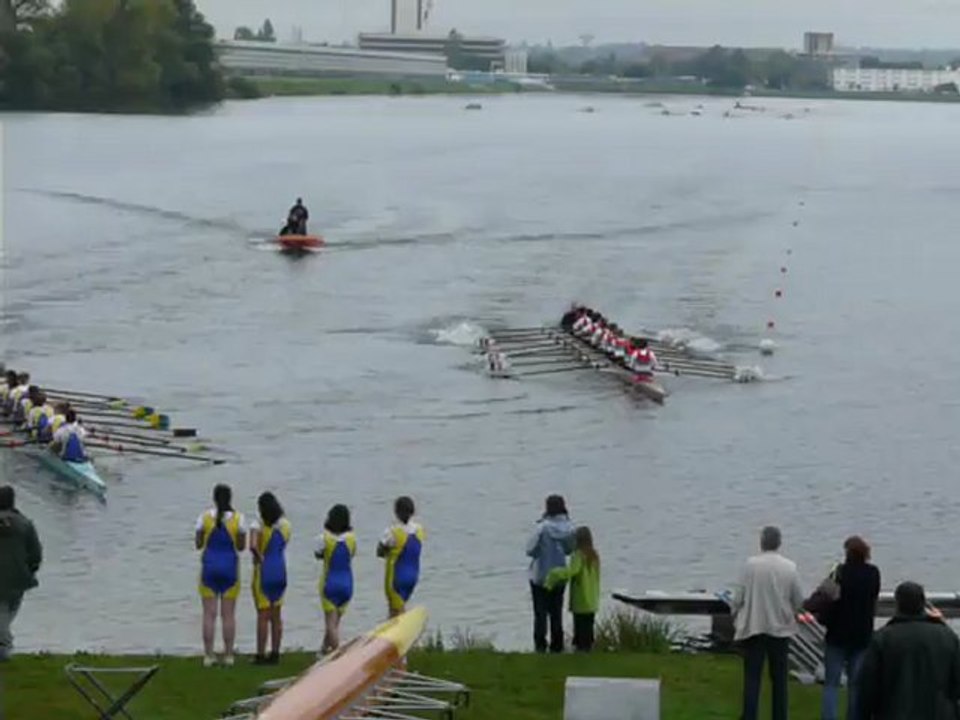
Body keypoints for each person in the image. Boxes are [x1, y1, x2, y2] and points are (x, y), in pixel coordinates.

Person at [729, 525, 805, 720]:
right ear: (779, 543)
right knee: (780, 680)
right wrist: (795, 613)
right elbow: (798, 600)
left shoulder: (750, 565)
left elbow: (738, 596)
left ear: (761, 543)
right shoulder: (790, 567)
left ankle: (749, 715)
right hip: (780, 629)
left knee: (752, 678)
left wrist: (734, 612)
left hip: (754, 627)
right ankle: (779, 716)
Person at [857, 581, 960, 719]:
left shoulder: (883, 638)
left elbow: (868, 688)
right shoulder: (947, 637)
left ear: (898, 604)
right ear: (923, 604)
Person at [819, 536, 881, 720]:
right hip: (862, 634)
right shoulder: (873, 573)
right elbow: (874, 597)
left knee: (831, 683)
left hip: (837, 633)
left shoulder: (839, 572)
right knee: (856, 684)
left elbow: (826, 595)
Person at [195, 484, 246, 667]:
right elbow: (241, 547)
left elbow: (198, 544)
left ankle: (208, 655)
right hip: (230, 569)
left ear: (214, 498)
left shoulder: (205, 517)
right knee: (228, 615)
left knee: (209, 614)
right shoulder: (239, 519)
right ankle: (229, 654)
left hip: (209, 568)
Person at [526, 494, 575, 653]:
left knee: (540, 613)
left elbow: (530, 550)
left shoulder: (542, 527)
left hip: (540, 576)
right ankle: (557, 645)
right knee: (556, 613)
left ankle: (540, 645)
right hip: (559, 576)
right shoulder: (569, 528)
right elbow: (569, 550)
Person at [0, 486, 42, 662]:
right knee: (7, 612)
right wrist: (29, 570)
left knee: (2, 615)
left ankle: (4, 648)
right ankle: (4, 647)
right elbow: (35, 554)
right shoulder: (24, 524)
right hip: (19, 579)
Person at [544, 526, 600, 652]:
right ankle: (588, 648)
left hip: (581, 598)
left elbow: (572, 571)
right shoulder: (594, 555)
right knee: (588, 626)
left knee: (580, 626)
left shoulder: (578, 555)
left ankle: (581, 648)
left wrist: (555, 573)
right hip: (593, 597)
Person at [249, 492, 291, 665]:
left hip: (264, 569)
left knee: (263, 615)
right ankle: (275, 652)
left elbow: (252, 545)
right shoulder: (285, 525)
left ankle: (260, 654)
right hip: (280, 568)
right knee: (276, 614)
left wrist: (259, 557)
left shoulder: (258, 525)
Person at [315, 504, 357, 653]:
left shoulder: (324, 538)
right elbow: (351, 554)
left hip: (329, 583)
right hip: (347, 583)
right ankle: (323, 651)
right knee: (335, 623)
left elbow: (318, 554)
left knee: (330, 624)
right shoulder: (351, 538)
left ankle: (339, 654)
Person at [377, 496, 424, 618]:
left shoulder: (392, 532)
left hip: (396, 577)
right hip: (413, 576)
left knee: (396, 613)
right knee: (397, 609)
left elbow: (379, 551)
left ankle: (398, 636)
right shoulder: (419, 530)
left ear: (396, 512)